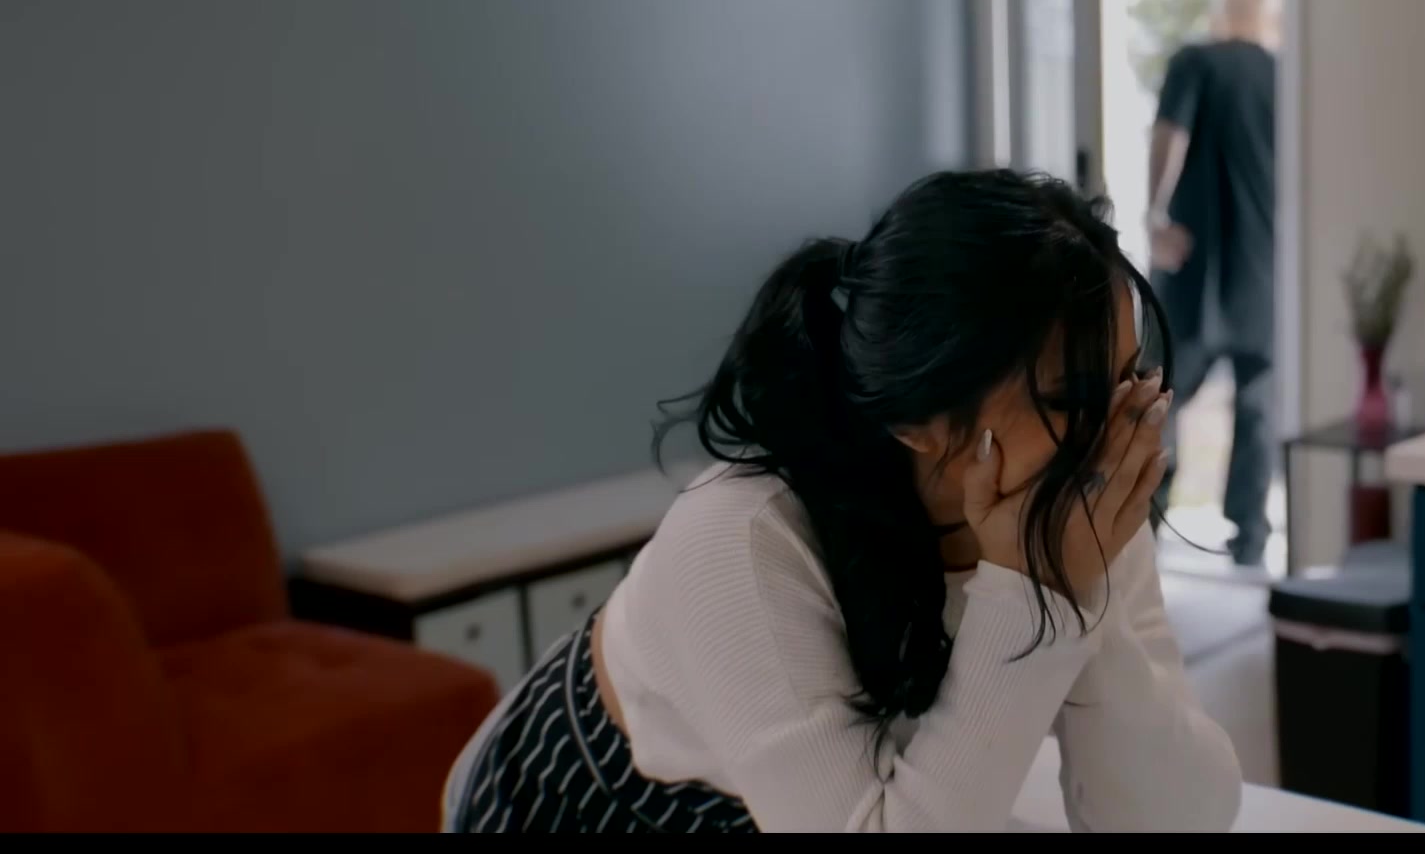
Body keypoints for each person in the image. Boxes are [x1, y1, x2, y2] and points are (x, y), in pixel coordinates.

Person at [442, 169, 1243, 833]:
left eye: (1130, 376)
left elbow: (1177, 820)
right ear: (921, 423)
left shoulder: (1076, 498)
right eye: (1071, 397)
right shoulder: (744, 535)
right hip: (584, 803)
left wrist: (1076, 597)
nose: (1121, 430)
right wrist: (1037, 593)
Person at [1145, 0, 1279, 569]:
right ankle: (1249, 540)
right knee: (1257, 406)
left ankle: (1143, 525)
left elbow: (1170, 135)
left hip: (1196, 263)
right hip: (1265, 269)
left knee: (1159, 399)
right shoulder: (1285, 74)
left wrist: (1153, 212)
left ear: (1223, 14)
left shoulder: (1195, 61)